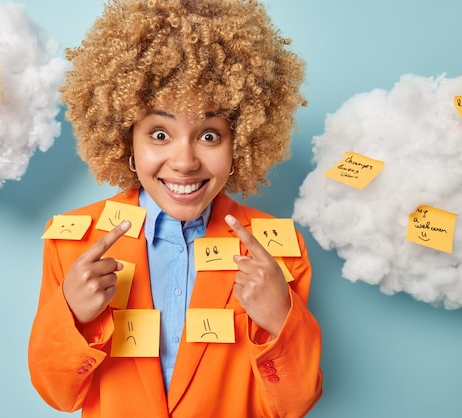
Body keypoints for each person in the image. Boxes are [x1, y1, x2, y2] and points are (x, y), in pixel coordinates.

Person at [28, 0, 322, 416]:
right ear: (125, 137)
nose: (184, 162)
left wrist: (280, 320)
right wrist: (72, 316)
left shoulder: (278, 246)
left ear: (242, 141)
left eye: (210, 135)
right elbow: (59, 395)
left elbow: (295, 404)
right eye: (160, 133)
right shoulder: (73, 239)